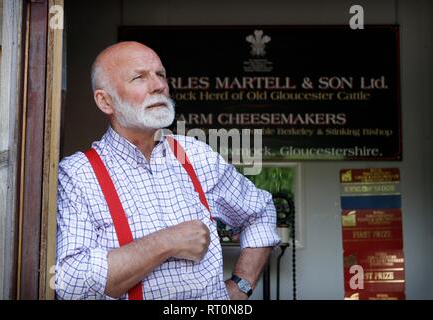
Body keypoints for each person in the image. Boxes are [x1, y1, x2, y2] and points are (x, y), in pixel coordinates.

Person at [56, 41, 280, 300]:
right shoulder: (77, 175)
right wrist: (166, 242)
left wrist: (241, 286)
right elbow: (71, 282)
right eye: (139, 77)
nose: (158, 86)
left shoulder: (196, 155)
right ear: (105, 101)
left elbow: (259, 211)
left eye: (160, 75)